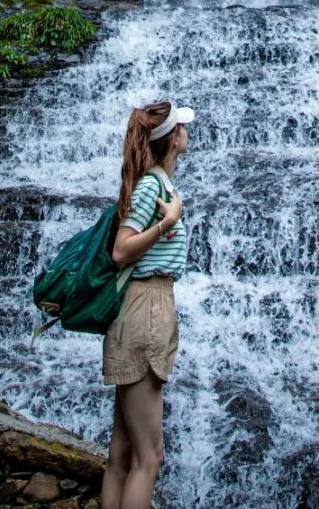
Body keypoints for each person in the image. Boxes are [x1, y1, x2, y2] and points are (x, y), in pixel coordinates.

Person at [101, 98, 194, 509]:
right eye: (183, 128)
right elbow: (122, 251)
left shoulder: (158, 183)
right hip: (146, 307)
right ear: (173, 140)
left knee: (122, 457)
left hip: (144, 308)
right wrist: (166, 224)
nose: (189, 132)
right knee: (149, 458)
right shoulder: (151, 186)